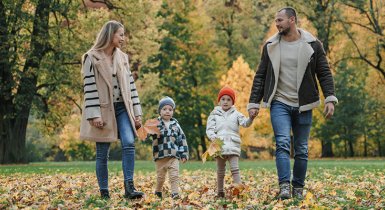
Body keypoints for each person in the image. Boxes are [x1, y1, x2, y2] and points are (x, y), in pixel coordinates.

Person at [247, 7, 338, 200]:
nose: (277, 24)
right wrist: (254, 102)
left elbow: (324, 72)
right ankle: (284, 186)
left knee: (302, 148)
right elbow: (260, 76)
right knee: (282, 143)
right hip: (279, 102)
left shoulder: (313, 45)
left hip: (303, 104)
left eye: (280, 20)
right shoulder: (270, 45)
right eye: (275, 21)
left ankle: (298, 186)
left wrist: (330, 98)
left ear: (292, 20)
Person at [79, 20, 144, 199]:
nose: (123, 38)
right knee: (102, 152)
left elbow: (131, 87)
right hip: (103, 110)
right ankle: (104, 191)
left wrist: (137, 113)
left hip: (123, 108)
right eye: (120, 34)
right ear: (110, 35)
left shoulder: (123, 57)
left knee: (129, 142)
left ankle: (129, 188)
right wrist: (94, 114)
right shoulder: (91, 58)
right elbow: (89, 88)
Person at [206, 86, 255, 198]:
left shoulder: (236, 114)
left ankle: (239, 191)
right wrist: (213, 137)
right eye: (223, 99)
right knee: (220, 171)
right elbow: (209, 129)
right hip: (219, 147)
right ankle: (220, 191)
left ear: (232, 101)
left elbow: (245, 123)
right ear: (219, 101)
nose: (226, 102)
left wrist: (251, 118)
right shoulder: (214, 114)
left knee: (235, 169)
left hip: (233, 146)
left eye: (229, 99)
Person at [151, 96, 189, 199]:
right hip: (160, 156)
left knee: (174, 175)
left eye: (170, 109)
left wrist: (183, 154)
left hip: (173, 155)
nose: (167, 111)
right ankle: (158, 191)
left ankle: (175, 193)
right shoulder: (155, 124)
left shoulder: (176, 125)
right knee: (160, 177)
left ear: (173, 111)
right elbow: (148, 135)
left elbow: (182, 139)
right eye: (164, 109)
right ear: (160, 111)